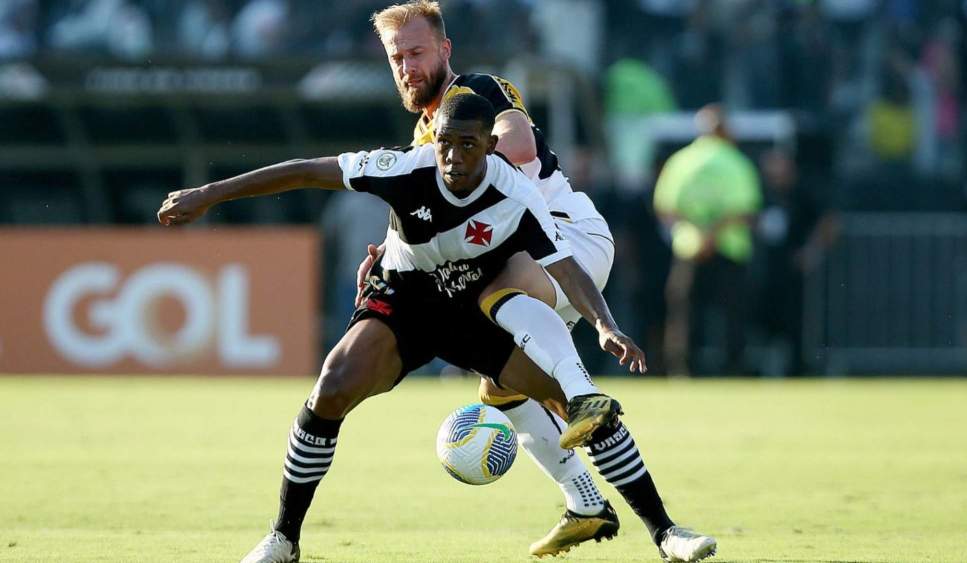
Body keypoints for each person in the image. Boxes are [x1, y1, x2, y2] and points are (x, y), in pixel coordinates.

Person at [158, 93, 716, 563]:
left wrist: (605, 326)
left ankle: (666, 532)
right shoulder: (405, 169)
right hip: (407, 300)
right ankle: (283, 539)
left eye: (467, 144)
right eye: (445, 142)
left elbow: (564, 266)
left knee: (578, 407)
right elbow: (305, 170)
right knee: (332, 385)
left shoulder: (516, 196)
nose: (452, 155)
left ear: (490, 146)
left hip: (471, 308)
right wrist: (207, 195)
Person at [360, 2, 714, 559]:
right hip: (530, 262)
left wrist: (467, 162)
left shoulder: (478, 94)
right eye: (396, 57)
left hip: (568, 237)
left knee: (494, 298)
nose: (407, 66)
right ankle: (589, 504)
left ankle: (586, 399)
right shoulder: (429, 137)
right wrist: (386, 252)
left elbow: (519, 141)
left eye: (417, 52)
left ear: (445, 50)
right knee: (501, 384)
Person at [654, 104, 762, 375]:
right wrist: (714, 234)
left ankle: (682, 370)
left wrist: (698, 234)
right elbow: (747, 211)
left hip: (689, 248)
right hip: (729, 249)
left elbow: (665, 207)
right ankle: (734, 369)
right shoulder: (736, 161)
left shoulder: (680, 161)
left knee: (684, 314)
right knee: (732, 316)